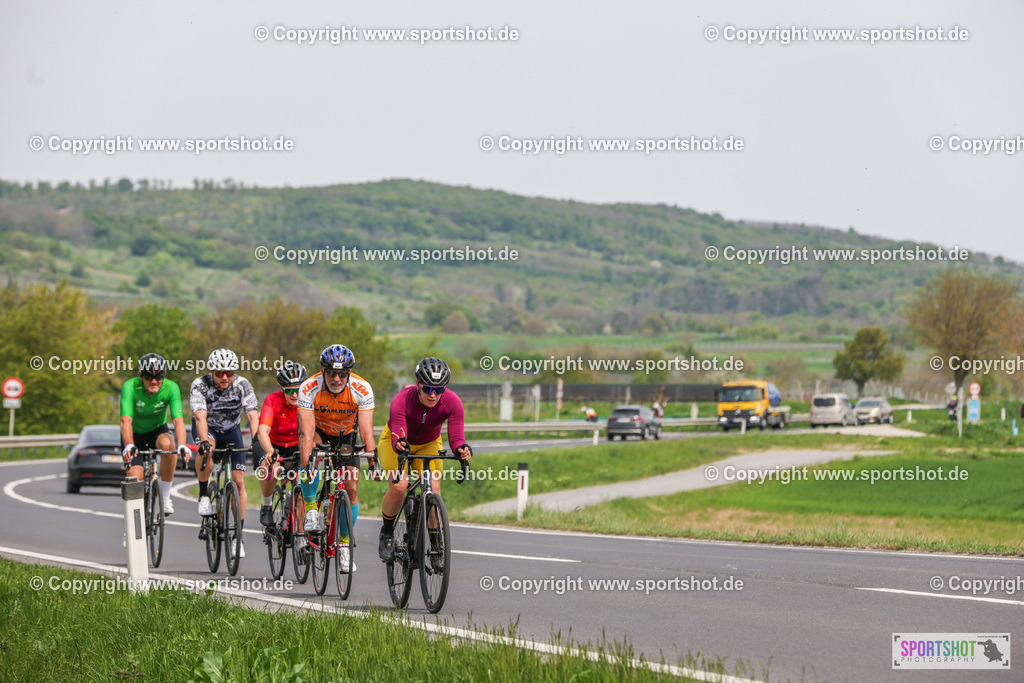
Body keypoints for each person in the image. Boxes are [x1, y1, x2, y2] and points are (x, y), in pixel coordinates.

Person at [377, 357, 472, 564]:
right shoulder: (402, 399)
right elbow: (397, 433)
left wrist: (462, 449)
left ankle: (437, 544)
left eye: (438, 390)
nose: (432, 395)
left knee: (433, 488)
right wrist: (399, 444)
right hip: (396, 440)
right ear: (418, 384)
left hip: (429, 442)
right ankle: (386, 533)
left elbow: (456, 438)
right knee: (400, 486)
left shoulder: (453, 401)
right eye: (428, 388)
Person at [296, 344, 377, 573]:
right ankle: (311, 508)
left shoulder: (362, 388)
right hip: (319, 431)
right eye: (331, 373)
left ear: (349, 373)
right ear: (323, 370)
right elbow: (307, 431)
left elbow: (366, 432)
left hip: (345, 435)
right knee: (309, 448)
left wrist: (373, 463)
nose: (337, 378)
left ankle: (343, 545)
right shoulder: (309, 387)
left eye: (342, 374)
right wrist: (308, 463)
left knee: (351, 487)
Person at [191, 348, 259, 558]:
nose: (224, 377)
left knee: (239, 484)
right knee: (207, 450)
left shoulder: (242, 384)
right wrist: (203, 442)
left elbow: (252, 414)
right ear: (211, 371)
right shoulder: (200, 385)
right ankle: (204, 494)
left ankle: (238, 537)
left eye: (228, 372)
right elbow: (200, 417)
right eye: (220, 372)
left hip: (231, 430)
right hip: (208, 428)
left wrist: (256, 440)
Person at [120, 353, 191, 515]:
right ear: (140, 376)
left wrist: (182, 445)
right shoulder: (130, 386)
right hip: (134, 435)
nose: (153, 381)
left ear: (164, 376)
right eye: (148, 376)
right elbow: (125, 420)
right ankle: (131, 530)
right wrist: (129, 444)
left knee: (169, 445)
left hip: (157, 431)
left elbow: (178, 421)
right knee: (135, 479)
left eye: (158, 377)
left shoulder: (171, 387)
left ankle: (165, 497)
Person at [255, 361, 307, 528]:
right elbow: (262, 431)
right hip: (272, 443)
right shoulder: (273, 400)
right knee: (272, 467)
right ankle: (266, 505)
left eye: (299, 390)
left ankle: (301, 537)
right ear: (281, 388)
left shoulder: (308, 400)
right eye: (290, 390)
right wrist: (270, 451)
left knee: (301, 487)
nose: (295, 395)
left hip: (295, 445)